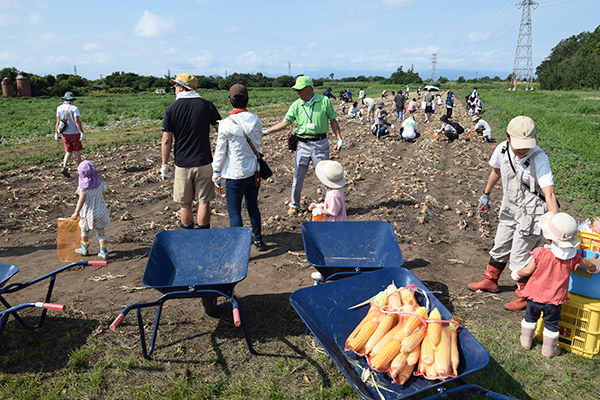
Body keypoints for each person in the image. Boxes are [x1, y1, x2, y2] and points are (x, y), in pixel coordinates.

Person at [468, 116, 559, 311]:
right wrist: (486, 194)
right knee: (500, 244)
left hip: (532, 212)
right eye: (518, 144)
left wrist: (555, 226)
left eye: (526, 145)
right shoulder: (502, 149)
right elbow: (496, 172)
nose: (522, 149)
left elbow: (549, 193)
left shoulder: (539, 158)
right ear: (507, 137)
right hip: (509, 205)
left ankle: (526, 296)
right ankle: (490, 280)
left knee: (519, 258)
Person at [515, 211, 600, 357]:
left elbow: (527, 270)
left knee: (530, 318)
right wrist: (595, 268)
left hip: (535, 296)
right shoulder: (574, 257)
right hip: (555, 300)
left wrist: (517, 273)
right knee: (552, 324)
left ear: (548, 237)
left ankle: (526, 341)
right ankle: (549, 350)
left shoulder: (540, 252)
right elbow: (588, 265)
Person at [263, 76, 343, 216]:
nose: (298, 93)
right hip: (303, 144)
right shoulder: (296, 105)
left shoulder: (324, 101)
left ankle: (329, 205)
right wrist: (266, 131)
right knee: (298, 176)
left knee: (325, 176)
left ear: (310, 88)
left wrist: (339, 138)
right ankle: (294, 205)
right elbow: (284, 123)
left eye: (300, 90)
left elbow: (333, 121)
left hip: (320, 143)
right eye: (297, 91)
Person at [161, 73, 221, 229]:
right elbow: (220, 130)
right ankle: (203, 234)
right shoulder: (207, 105)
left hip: (182, 164)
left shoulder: (171, 109)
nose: (174, 89)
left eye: (175, 86)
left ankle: (188, 233)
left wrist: (164, 164)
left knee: (185, 203)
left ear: (181, 88)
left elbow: (167, 140)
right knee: (204, 201)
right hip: (204, 162)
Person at [212, 84, 266, 251]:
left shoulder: (226, 124)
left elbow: (220, 151)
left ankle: (240, 247)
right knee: (252, 206)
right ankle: (258, 239)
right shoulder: (255, 120)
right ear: (247, 100)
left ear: (229, 101)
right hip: (252, 172)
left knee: (235, 212)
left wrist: (216, 172)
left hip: (234, 174)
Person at [71, 161, 111, 260]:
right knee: (101, 233)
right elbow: (103, 195)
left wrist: (76, 212)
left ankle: (84, 250)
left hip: (87, 212)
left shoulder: (83, 188)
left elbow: (81, 200)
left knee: (84, 230)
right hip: (100, 211)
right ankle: (104, 252)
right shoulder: (99, 183)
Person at [55, 91, 85, 178]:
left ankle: (64, 167)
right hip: (74, 133)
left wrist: (56, 133)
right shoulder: (74, 108)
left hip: (64, 134)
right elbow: (76, 121)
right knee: (77, 151)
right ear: (72, 100)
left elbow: (58, 122)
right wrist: (81, 132)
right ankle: (79, 170)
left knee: (68, 151)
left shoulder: (59, 108)